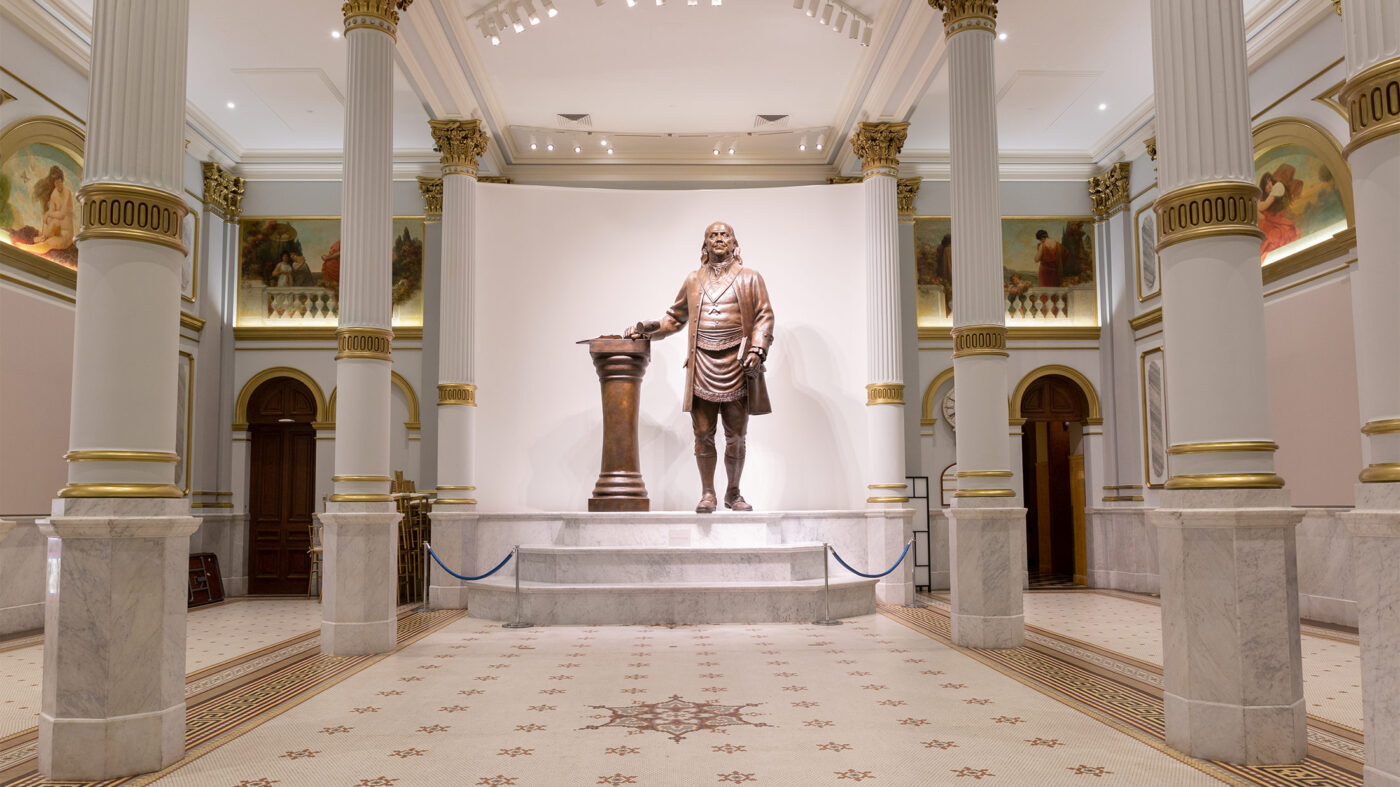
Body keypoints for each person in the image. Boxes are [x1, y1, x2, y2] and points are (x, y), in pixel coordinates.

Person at [626, 222, 775, 513]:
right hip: (702, 364)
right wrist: (647, 329)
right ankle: (708, 493)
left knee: (736, 435)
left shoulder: (750, 278)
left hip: (738, 364)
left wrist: (758, 348)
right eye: (713, 235)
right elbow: (674, 318)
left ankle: (733, 492)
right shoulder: (693, 280)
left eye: (725, 235)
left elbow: (764, 316)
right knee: (703, 433)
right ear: (704, 245)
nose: (719, 239)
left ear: (734, 243)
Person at [1258, 167, 1302, 261]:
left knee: (1275, 236)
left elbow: (1263, 206)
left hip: (1279, 220)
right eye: (1266, 184)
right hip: (1273, 220)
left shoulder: (1278, 187)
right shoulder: (1269, 193)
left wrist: (1253, 203)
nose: (1269, 185)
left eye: (1270, 181)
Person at [34, 166, 75, 249]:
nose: (58, 184)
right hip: (56, 229)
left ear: (62, 181)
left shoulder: (67, 192)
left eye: (59, 181)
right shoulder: (54, 194)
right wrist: (47, 215)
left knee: (54, 221)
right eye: (56, 182)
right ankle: (44, 236)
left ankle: (44, 238)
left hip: (65, 232)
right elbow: (51, 210)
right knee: (48, 218)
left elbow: (62, 215)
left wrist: (49, 214)